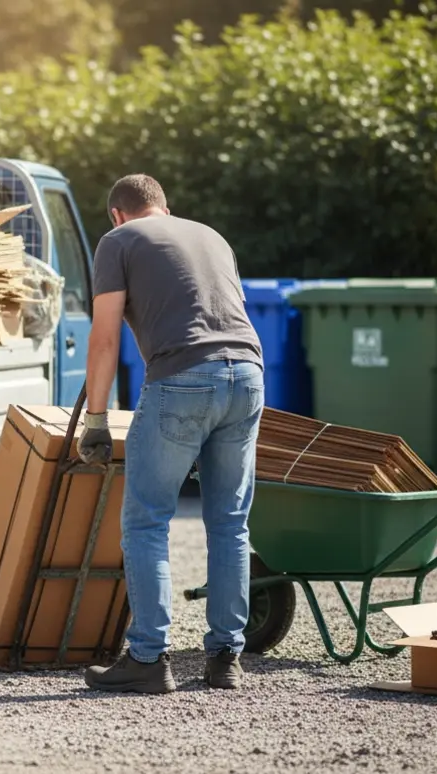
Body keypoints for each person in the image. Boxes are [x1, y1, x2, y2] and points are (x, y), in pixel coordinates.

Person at [77, 174, 264, 694]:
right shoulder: (211, 236)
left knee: (146, 520)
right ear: (164, 207)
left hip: (183, 377)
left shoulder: (117, 241)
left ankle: (148, 657)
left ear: (117, 214)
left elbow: (105, 334)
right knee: (229, 523)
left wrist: (95, 421)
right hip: (247, 375)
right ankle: (226, 658)